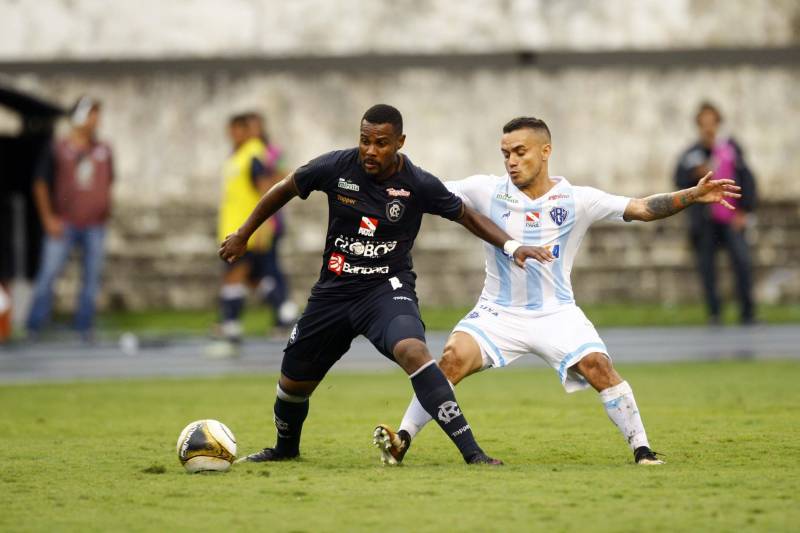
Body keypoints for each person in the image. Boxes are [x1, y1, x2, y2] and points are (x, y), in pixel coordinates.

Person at [374, 116, 741, 466]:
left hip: (557, 313)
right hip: (497, 313)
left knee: (599, 368)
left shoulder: (577, 199)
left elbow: (643, 208)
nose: (511, 162)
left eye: (520, 152)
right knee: (450, 360)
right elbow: (423, 189)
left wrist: (691, 196)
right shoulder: (484, 190)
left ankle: (642, 449)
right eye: (506, 154)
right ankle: (401, 440)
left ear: (546, 151)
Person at [219, 104, 553, 465]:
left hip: (385, 290)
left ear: (399, 142)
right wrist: (243, 233)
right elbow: (285, 188)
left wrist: (512, 246)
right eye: (365, 141)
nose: (370, 151)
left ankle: (474, 454)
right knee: (293, 385)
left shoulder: (418, 184)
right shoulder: (335, 167)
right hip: (333, 292)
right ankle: (285, 450)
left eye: (380, 143)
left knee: (414, 351)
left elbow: (466, 215)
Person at [26, 96, 114, 341]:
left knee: (91, 279)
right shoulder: (58, 148)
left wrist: (105, 207)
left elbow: (108, 181)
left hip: (95, 225)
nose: (96, 121)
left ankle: (84, 327)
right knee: (48, 275)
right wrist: (48, 218)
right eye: (92, 115)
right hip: (63, 222)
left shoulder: (103, 149)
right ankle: (35, 326)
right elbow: (40, 184)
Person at [675, 102, 758, 325]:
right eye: (704, 123)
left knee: (742, 261)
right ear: (698, 125)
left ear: (718, 123)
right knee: (707, 268)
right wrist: (695, 175)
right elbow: (678, 184)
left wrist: (745, 211)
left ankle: (748, 313)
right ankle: (715, 314)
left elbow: (747, 179)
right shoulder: (691, 155)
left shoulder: (731, 149)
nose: (708, 127)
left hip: (731, 218)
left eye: (712, 122)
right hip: (705, 222)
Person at [209, 113, 276, 356]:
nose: (232, 135)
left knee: (234, 279)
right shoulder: (237, 156)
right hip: (234, 230)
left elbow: (267, 193)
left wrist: (260, 229)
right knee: (257, 282)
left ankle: (231, 334)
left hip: (244, 233)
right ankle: (288, 316)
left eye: (237, 129)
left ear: (245, 131)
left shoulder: (253, 156)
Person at [244, 112, 298, 334]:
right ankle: (283, 311)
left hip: (270, 221)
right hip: (251, 221)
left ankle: (285, 313)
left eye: (255, 126)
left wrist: (269, 176)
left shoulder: (271, 152)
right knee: (258, 272)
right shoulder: (245, 155)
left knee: (270, 269)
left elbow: (286, 176)